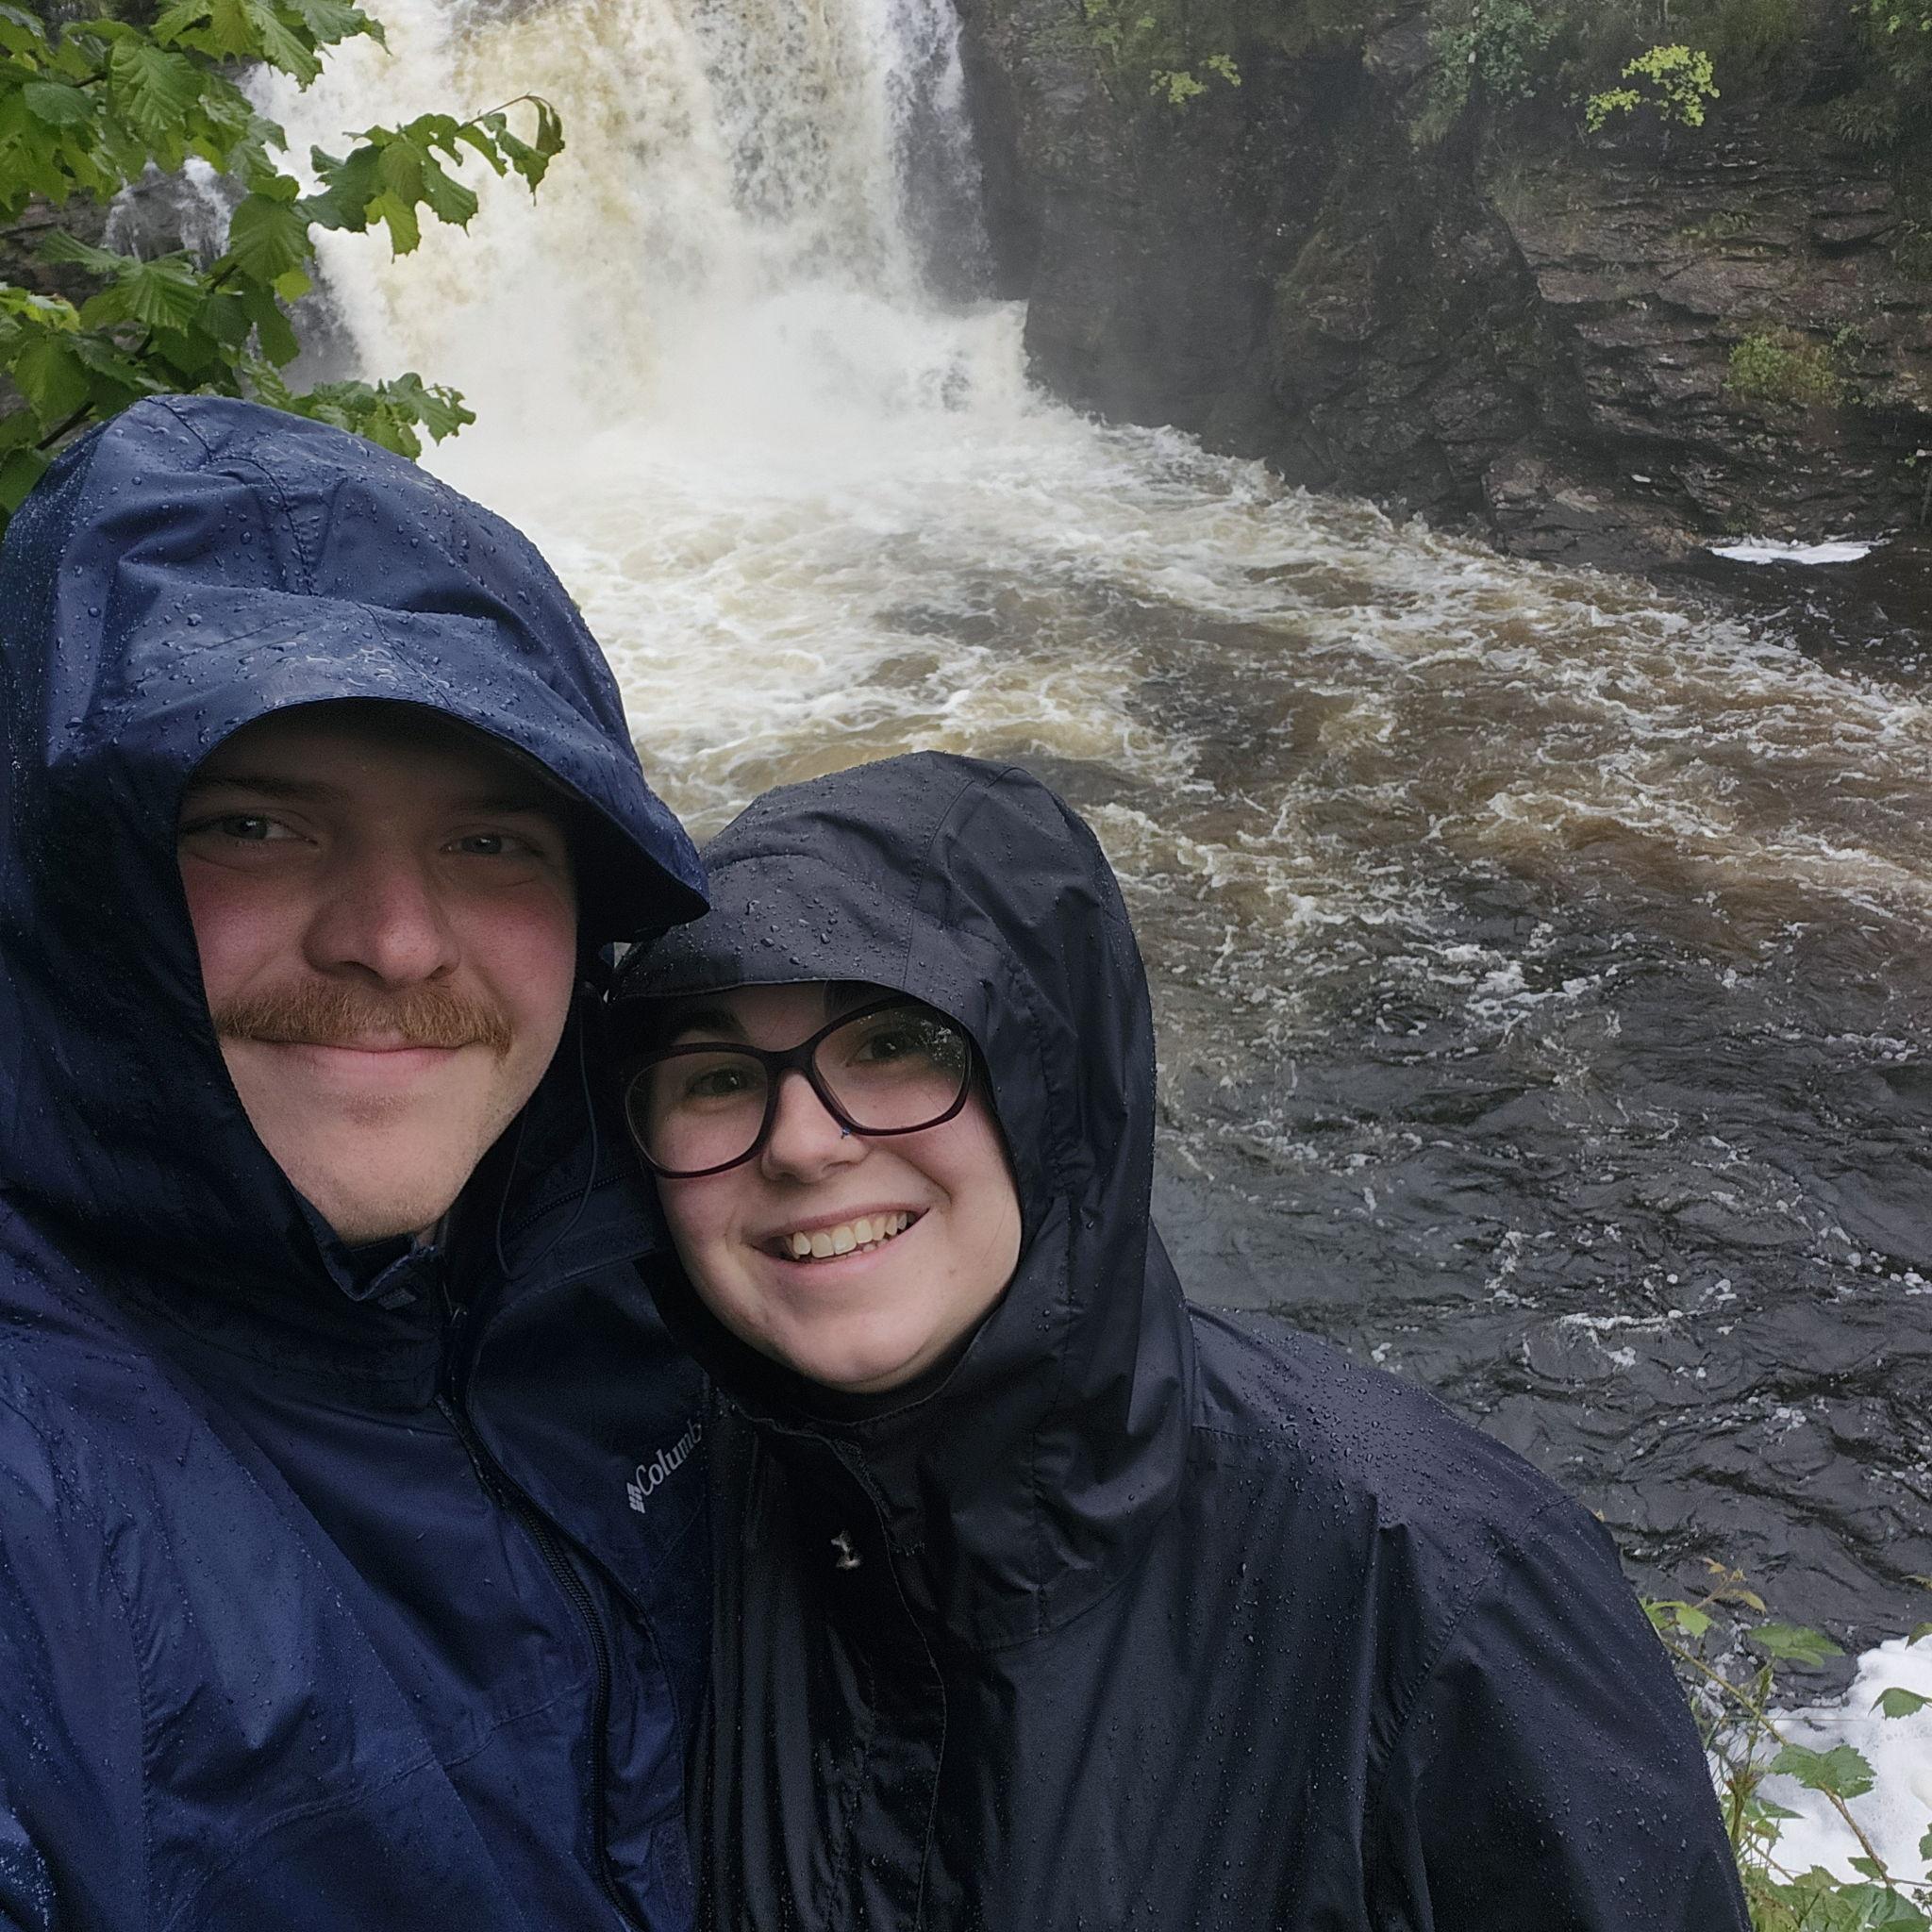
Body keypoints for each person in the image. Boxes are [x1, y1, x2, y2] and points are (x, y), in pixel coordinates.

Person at [612, 751, 1752, 1931]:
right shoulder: (643, 1519)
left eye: (897, 1043)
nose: (802, 1143)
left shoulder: (1441, 1600)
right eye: (718, 1076)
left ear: (1056, 1077)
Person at [0, 397, 712, 1930]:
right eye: (255, 825)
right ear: (61, 869)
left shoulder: (659, 1270)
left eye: (490, 842)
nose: (392, 941)